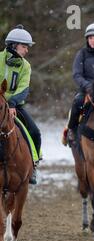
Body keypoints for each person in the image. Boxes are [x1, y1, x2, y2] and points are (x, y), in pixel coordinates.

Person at [0, 25, 41, 184]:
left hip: (16, 106)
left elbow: (24, 89)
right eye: (24, 46)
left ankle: (33, 167)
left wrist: (12, 103)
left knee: (35, 132)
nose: (27, 50)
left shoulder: (26, 66)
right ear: (13, 45)